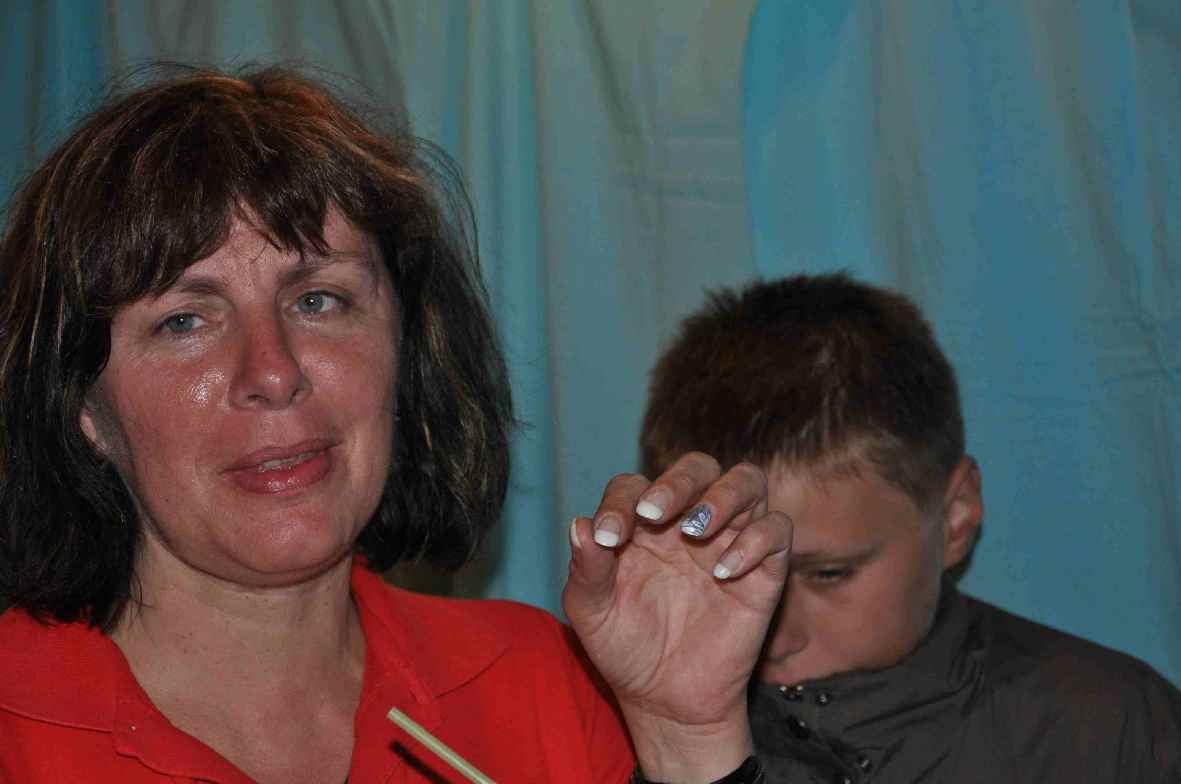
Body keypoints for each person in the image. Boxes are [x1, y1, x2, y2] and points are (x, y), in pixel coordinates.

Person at [0, 65, 792, 783]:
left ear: (405, 351)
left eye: (318, 300)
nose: (273, 372)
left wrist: (687, 743)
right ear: (83, 406)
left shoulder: (539, 685)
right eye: (184, 321)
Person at [639, 273, 1181, 783]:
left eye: (829, 574)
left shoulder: (1108, 729)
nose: (775, 636)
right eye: (729, 573)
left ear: (955, 517)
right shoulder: (630, 729)